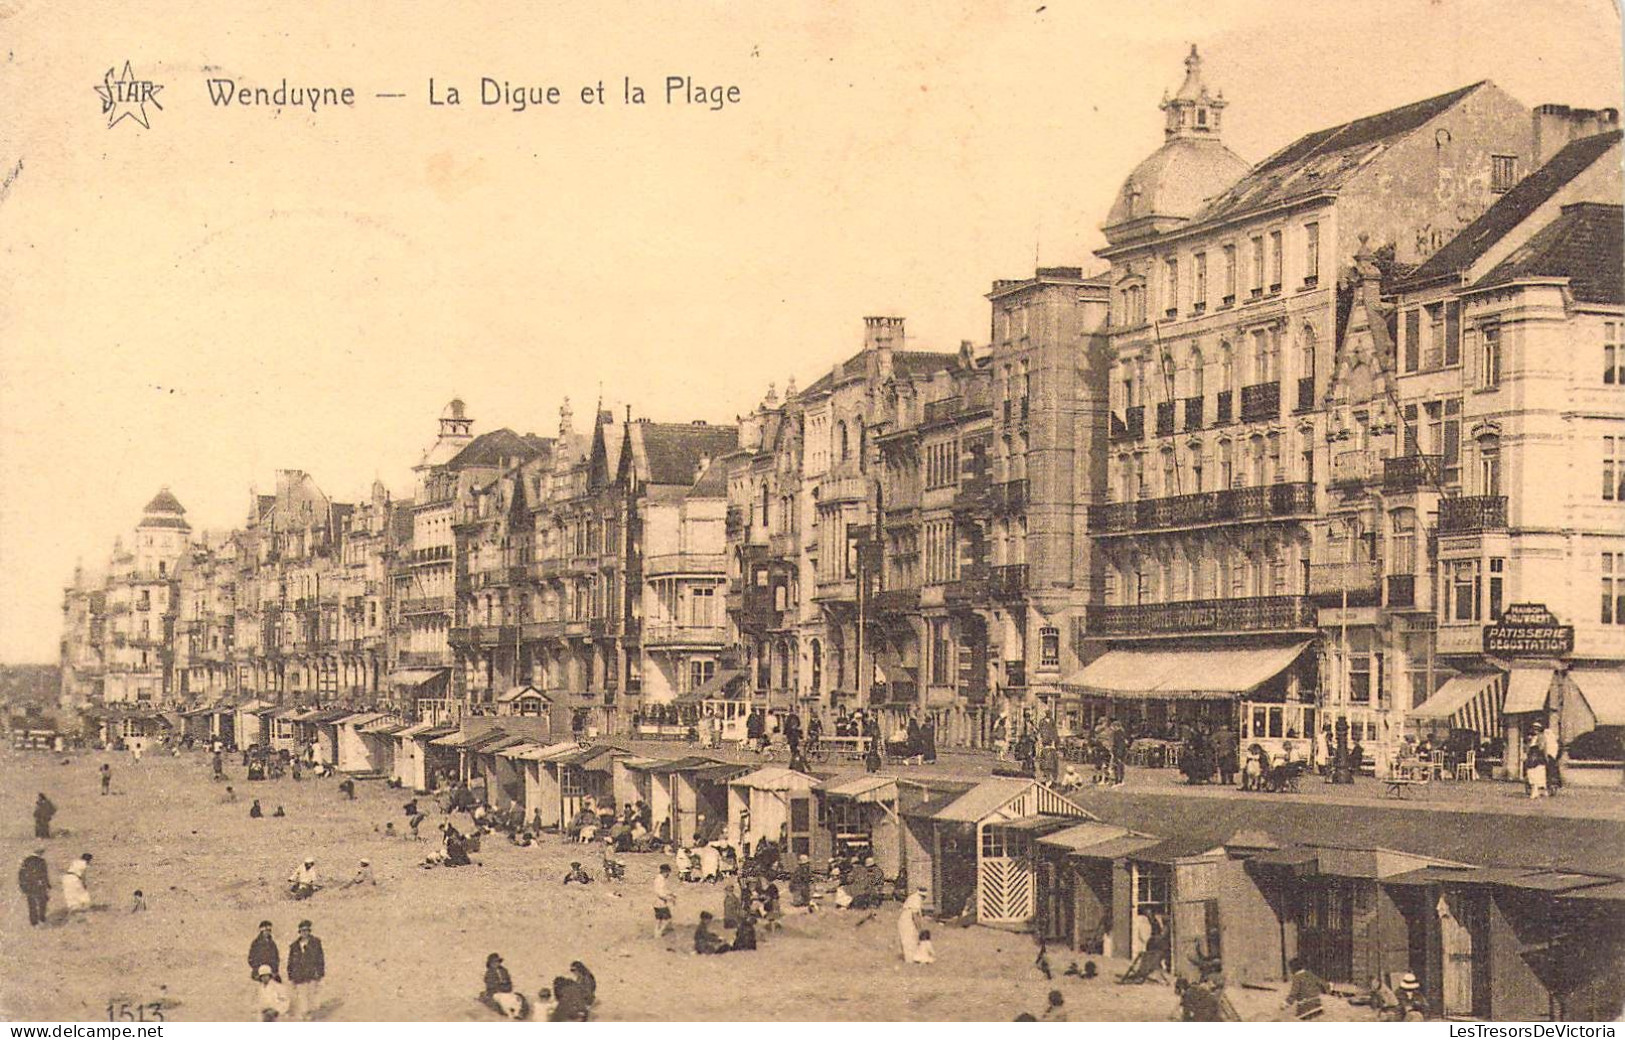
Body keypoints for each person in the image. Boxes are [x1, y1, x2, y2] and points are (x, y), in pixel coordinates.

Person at [286, 919, 325, 1020]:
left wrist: (320, 973)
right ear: (299, 932)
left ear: (309, 931)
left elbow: (320, 959)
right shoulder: (294, 946)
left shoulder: (315, 943)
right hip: (299, 975)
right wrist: (291, 976)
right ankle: (304, 1015)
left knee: (311, 994)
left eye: (306, 930)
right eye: (302, 931)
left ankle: (310, 1014)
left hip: (312, 974)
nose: (304, 933)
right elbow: (290, 962)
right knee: (302, 996)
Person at [18, 849, 50, 926]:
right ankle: (42, 918)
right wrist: (47, 884)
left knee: (32, 903)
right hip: (39, 885)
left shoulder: (26, 860)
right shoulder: (41, 861)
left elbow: (21, 874)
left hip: (29, 886)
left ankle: (34, 921)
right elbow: (44, 874)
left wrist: (22, 885)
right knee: (42, 901)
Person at [898, 885, 925, 962]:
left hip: (906, 918)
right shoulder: (917, 899)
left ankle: (913, 958)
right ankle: (910, 960)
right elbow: (915, 915)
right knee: (908, 939)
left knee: (912, 938)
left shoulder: (914, 897)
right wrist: (919, 929)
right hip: (907, 919)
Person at [653, 863, 676, 938]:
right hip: (661, 903)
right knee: (667, 919)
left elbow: (663, 890)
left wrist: (671, 893)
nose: (668, 875)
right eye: (668, 873)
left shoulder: (659, 878)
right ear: (665, 872)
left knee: (659, 919)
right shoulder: (660, 880)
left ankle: (656, 933)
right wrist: (669, 898)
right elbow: (660, 893)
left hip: (656, 902)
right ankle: (660, 932)